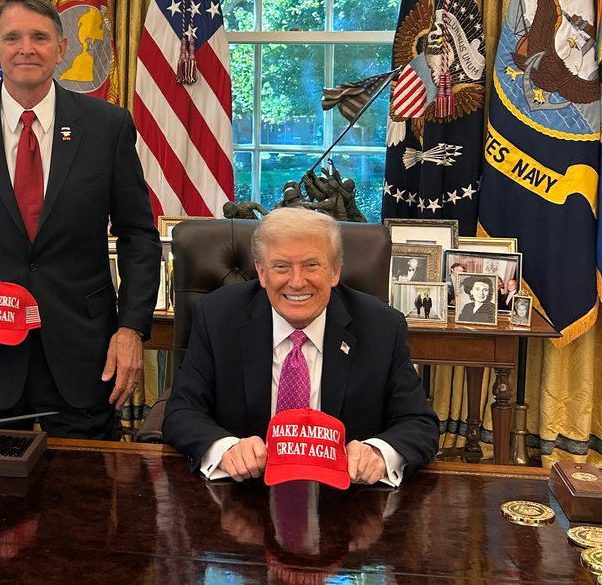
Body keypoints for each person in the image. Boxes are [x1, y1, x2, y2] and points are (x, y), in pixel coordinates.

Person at [0, 0, 161, 440]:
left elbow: (137, 235)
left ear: (62, 48)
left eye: (40, 37)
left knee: (85, 503)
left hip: (84, 357)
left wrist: (131, 328)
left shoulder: (109, 127)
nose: (26, 48)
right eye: (13, 37)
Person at [161, 208, 439, 485]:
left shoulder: (381, 328)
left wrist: (378, 453)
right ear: (261, 271)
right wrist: (225, 448)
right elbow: (181, 411)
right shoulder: (216, 317)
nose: (296, 282)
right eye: (281, 266)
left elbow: (419, 423)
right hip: (245, 492)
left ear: (335, 272)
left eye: (311, 265)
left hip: (346, 499)